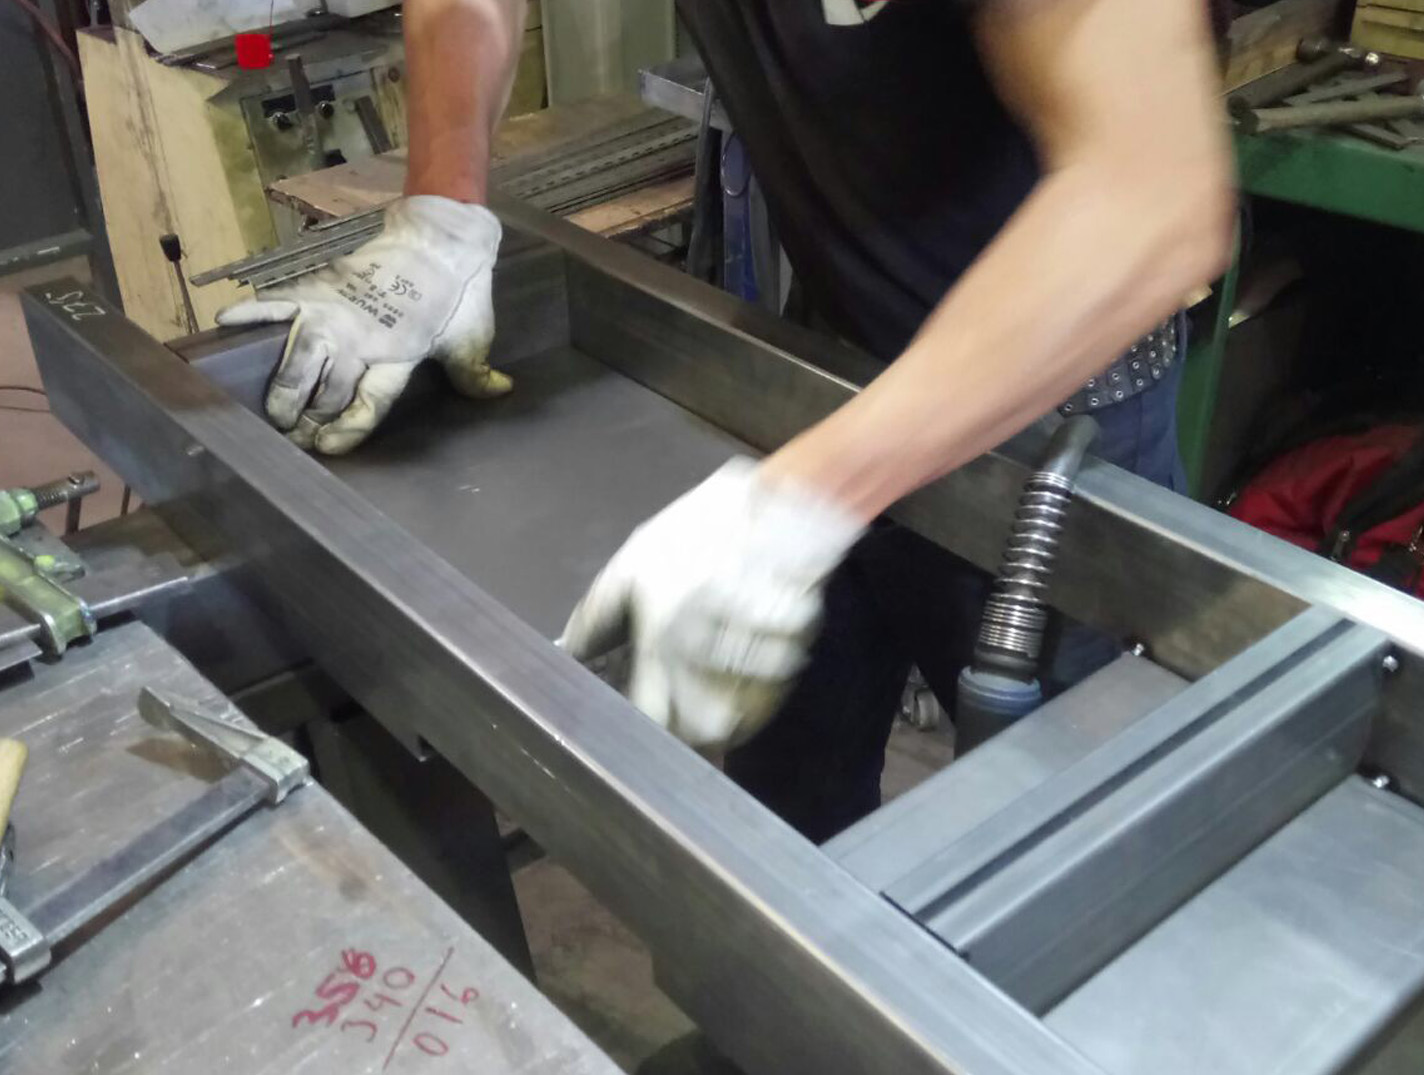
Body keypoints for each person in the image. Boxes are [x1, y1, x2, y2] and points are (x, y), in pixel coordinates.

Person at [219, 0, 1233, 841]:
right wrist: (440, 216)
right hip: (833, 360)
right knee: (784, 807)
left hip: (1053, 400)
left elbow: (1151, 198)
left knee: (1077, 844)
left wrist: (805, 500)